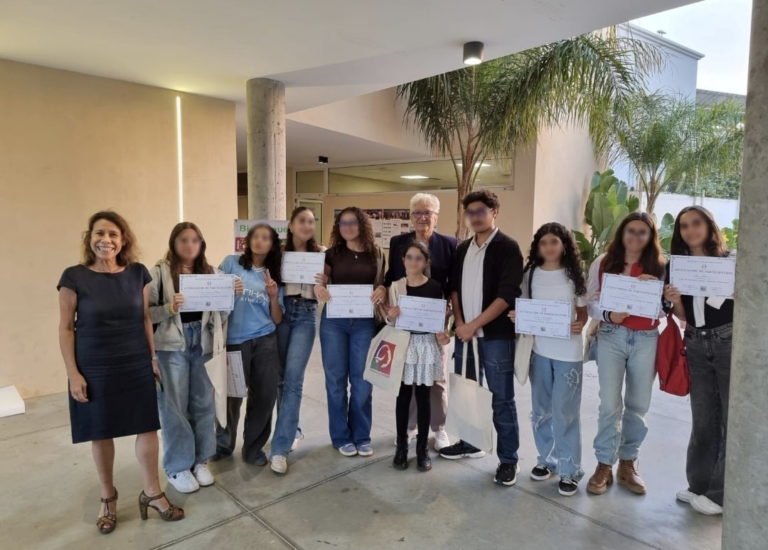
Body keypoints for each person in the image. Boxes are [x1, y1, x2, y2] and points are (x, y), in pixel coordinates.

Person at [57, 211, 184, 535]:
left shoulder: (138, 273)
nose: (106, 240)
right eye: (100, 233)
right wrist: (73, 373)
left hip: (135, 360)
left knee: (147, 427)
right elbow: (66, 328)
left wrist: (152, 357)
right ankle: (108, 497)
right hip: (94, 365)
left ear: (123, 240)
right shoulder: (73, 277)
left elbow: (145, 318)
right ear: (90, 238)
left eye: (113, 234)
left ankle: (152, 492)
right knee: (101, 431)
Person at [149, 222, 243, 493]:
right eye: (183, 240)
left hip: (203, 344)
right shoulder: (158, 273)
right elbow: (146, 313)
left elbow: (220, 315)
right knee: (174, 407)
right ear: (173, 243)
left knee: (204, 404)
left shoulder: (212, 273)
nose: (189, 245)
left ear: (201, 244)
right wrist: (169, 308)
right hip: (171, 346)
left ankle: (200, 460)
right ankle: (178, 466)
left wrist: (230, 297)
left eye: (195, 240)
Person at [440, 190, 524, 487]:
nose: (475, 217)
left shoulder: (508, 247)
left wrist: (473, 325)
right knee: (467, 394)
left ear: (494, 212)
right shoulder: (463, 248)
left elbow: (507, 295)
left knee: (502, 400)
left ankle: (508, 459)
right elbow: (453, 289)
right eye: (470, 212)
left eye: (481, 211)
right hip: (466, 336)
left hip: (496, 337)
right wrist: (461, 324)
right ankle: (470, 442)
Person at [586, 212, 666, 496]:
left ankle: (628, 462)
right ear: (622, 232)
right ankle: (604, 463)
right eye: (631, 230)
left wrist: (654, 293)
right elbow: (590, 302)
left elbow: (664, 311)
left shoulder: (660, 266)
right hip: (612, 336)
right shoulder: (604, 262)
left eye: (642, 232)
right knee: (609, 403)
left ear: (650, 237)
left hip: (646, 338)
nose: (635, 236)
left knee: (638, 404)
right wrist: (609, 314)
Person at [508, 223, 588, 496]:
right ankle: (547, 460)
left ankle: (570, 469)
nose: (549, 247)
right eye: (544, 242)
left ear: (564, 245)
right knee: (541, 410)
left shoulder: (574, 274)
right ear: (538, 247)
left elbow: (582, 312)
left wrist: (579, 323)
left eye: (554, 241)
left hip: (568, 353)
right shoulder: (530, 274)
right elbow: (524, 306)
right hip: (539, 351)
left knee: (566, 413)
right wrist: (519, 317)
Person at [664, 206, 734, 516]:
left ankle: (720, 494)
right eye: (684, 225)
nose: (690, 230)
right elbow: (683, 316)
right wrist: (675, 300)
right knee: (703, 417)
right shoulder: (677, 266)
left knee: (730, 419)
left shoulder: (730, 262)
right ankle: (699, 484)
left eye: (696, 223)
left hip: (728, 339)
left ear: (709, 226)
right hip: (694, 340)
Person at [385, 193, 457, 451]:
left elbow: (453, 285)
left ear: (436, 216)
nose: (422, 217)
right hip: (406, 324)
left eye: (427, 212)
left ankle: (439, 427)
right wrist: (386, 303)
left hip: (436, 324)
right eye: (417, 212)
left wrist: (449, 325)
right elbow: (391, 278)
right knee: (409, 377)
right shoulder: (398, 243)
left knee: (436, 379)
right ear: (410, 216)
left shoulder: (449, 244)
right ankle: (410, 426)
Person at [315, 207, 387, 458]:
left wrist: (382, 290)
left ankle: (361, 436)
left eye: (353, 222)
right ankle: (341, 437)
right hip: (334, 323)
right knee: (335, 381)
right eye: (342, 223)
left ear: (362, 224)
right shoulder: (332, 254)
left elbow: (381, 283)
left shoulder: (376, 253)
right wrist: (318, 287)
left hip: (364, 323)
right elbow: (321, 280)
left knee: (362, 381)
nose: (347, 227)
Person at [213, 224, 284, 466]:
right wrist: (228, 290)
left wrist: (273, 296)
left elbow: (277, 319)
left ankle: (253, 448)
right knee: (231, 397)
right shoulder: (231, 263)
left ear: (272, 244)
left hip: (265, 340)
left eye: (265, 238)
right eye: (255, 236)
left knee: (264, 396)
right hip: (235, 341)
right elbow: (214, 294)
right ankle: (223, 445)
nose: (259, 241)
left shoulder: (275, 273)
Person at [270, 207, 327, 475]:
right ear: (290, 226)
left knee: (294, 380)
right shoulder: (278, 254)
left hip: (306, 314)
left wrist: (324, 282)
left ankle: (279, 449)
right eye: (302, 221)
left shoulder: (322, 253)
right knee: (280, 378)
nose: (307, 225)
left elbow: (330, 287)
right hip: (282, 312)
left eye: (311, 222)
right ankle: (293, 429)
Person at [385, 242, 451, 472]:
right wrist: (391, 316)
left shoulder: (434, 287)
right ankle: (402, 446)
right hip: (404, 344)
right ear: (403, 260)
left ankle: (422, 447)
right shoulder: (396, 287)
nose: (413, 262)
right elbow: (389, 321)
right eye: (409, 257)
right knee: (403, 396)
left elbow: (440, 320)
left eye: (418, 258)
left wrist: (443, 334)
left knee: (424, 396)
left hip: (426, 345)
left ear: (426, 262)